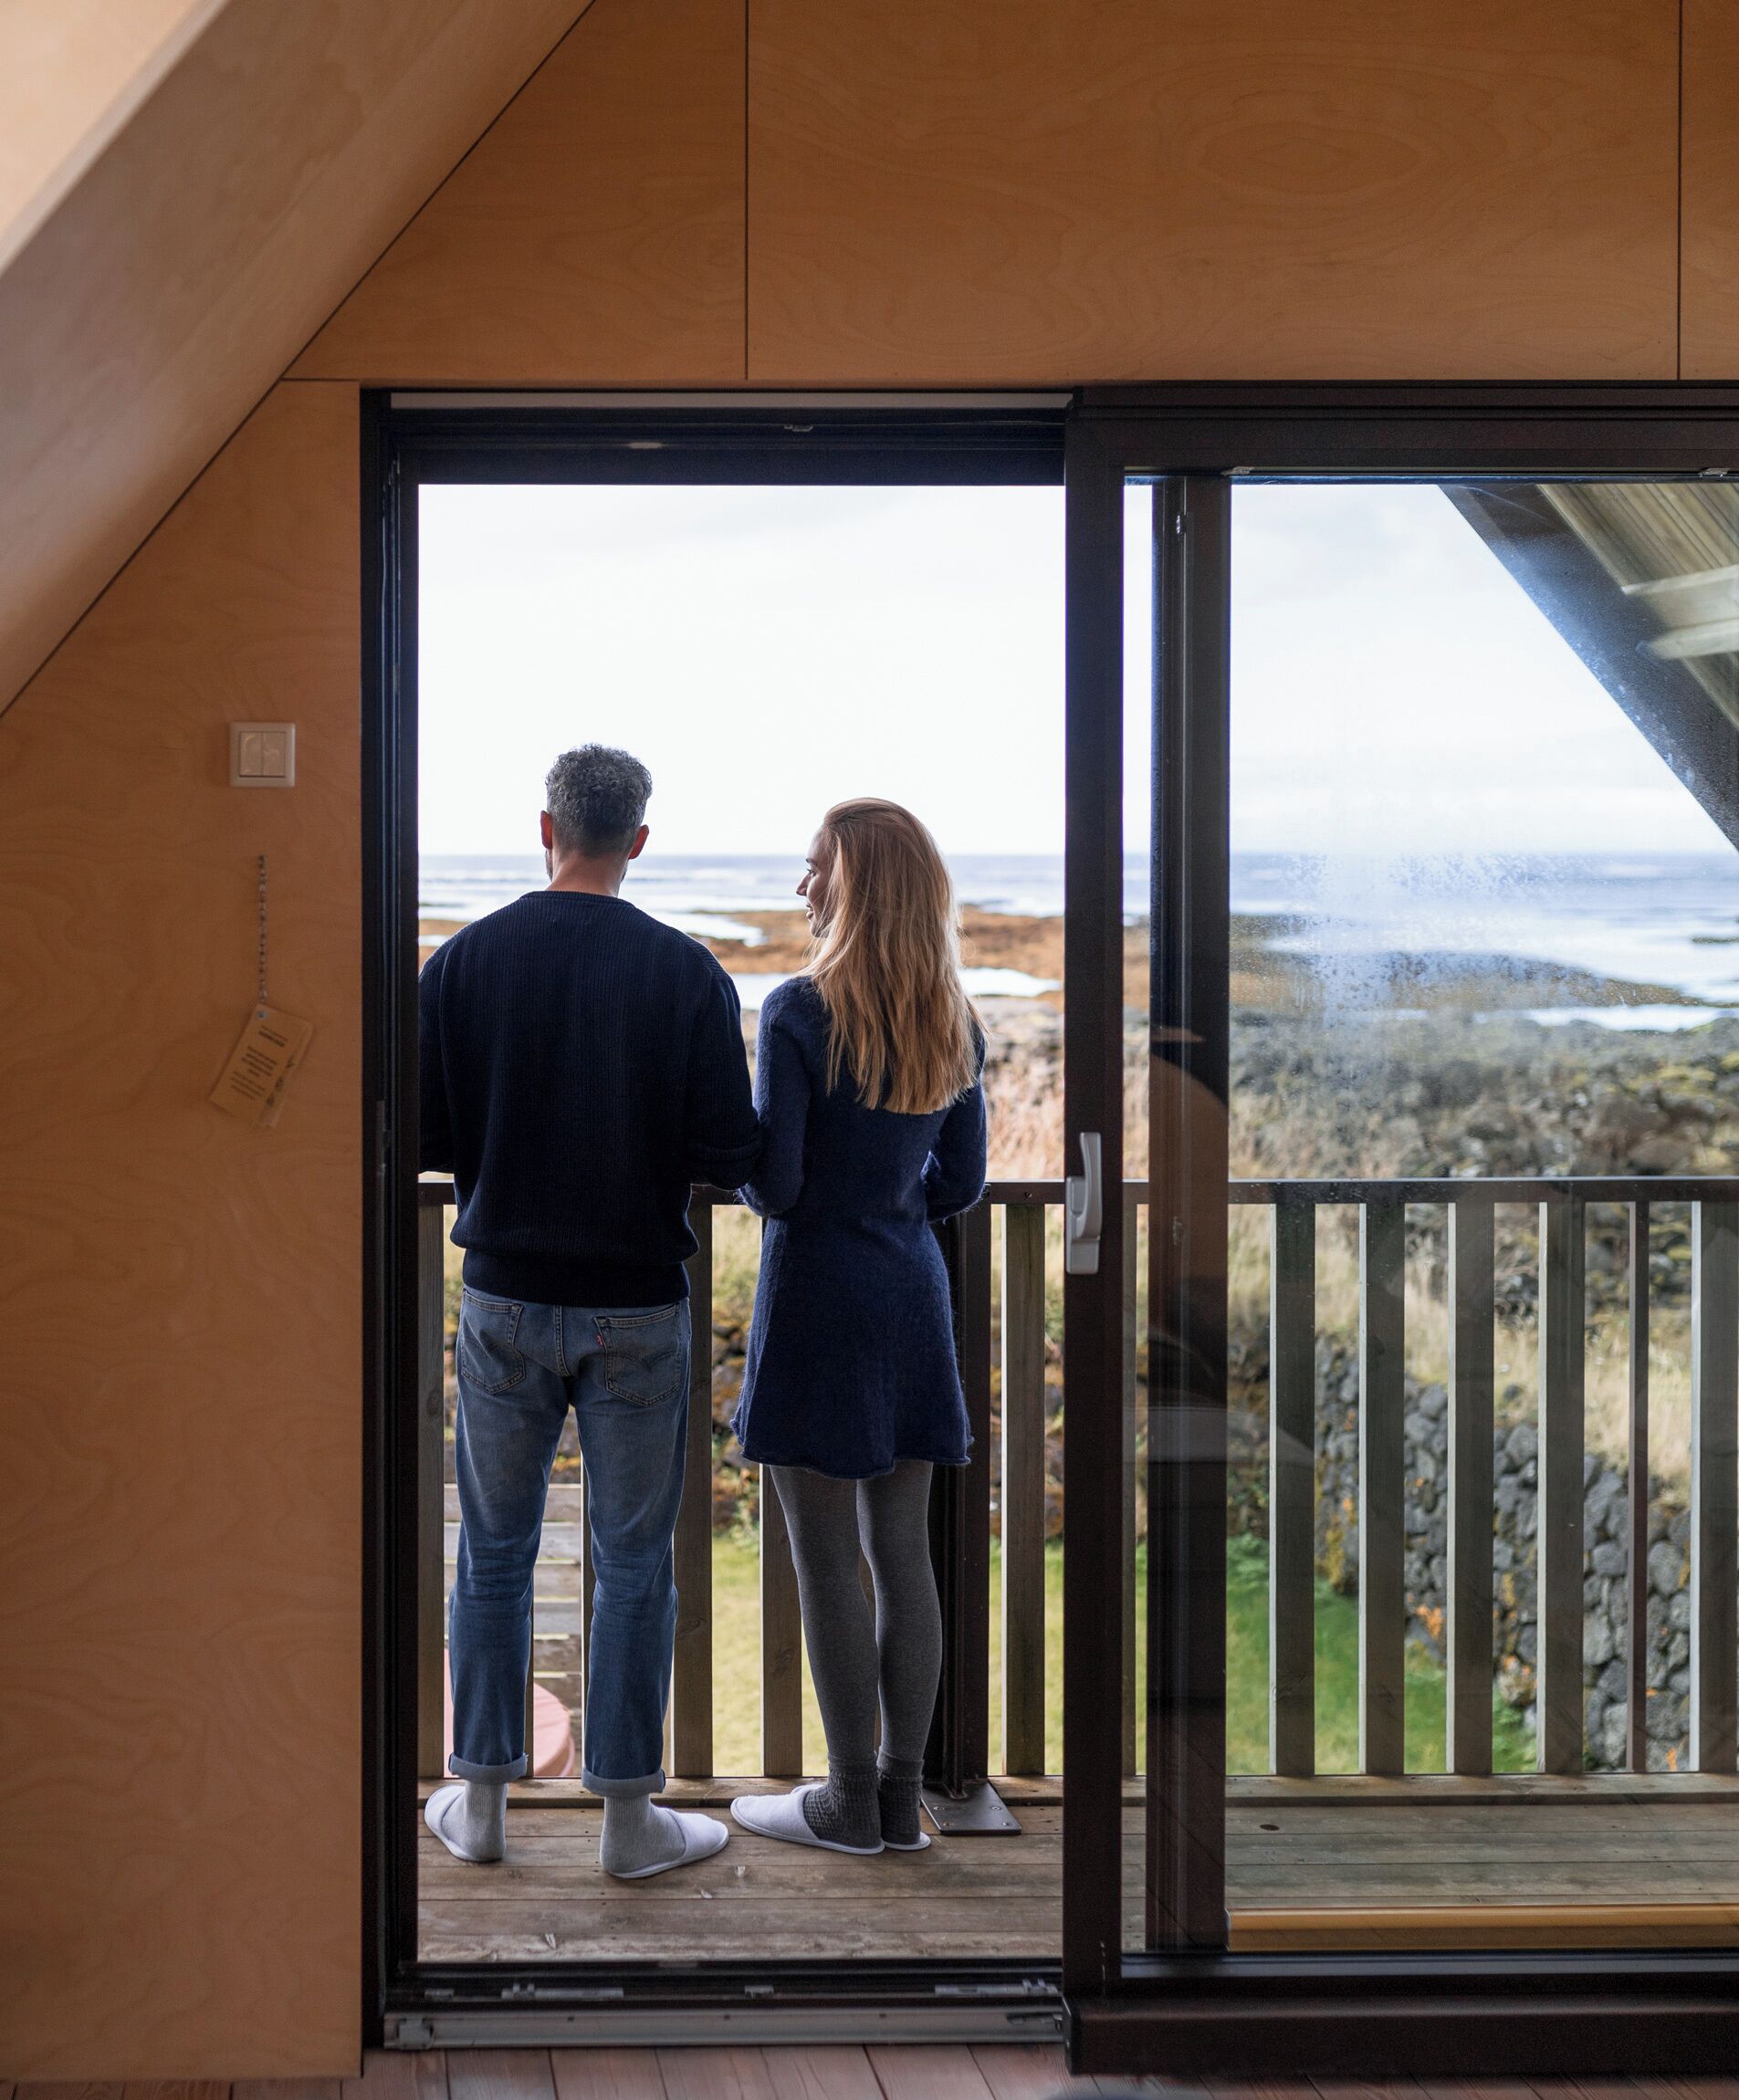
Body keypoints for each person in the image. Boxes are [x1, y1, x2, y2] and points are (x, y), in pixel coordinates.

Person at [419, 745, 759, 1878]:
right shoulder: (688, 975)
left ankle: (479, 1805)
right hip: (636, 1308)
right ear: (640, 842)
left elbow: (421, 1141)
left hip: (506, 1297)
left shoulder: (464, 963)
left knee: (495, 1556)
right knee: (632, 1561)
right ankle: (625, 1821)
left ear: (546, 829)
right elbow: (729, 1149)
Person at [729, 799, 988, 1856]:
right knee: (903, 1552)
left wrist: (759, 1176)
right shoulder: (954, 1017)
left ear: (858, 885)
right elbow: (960, 1180)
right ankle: (899, 1800)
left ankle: (843, 1804)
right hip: (911, 1295)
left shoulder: (797, 1012)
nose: (802, 888)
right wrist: (889, 1201)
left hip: (821, 1301)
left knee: (827, 1558)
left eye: (815, 869)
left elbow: (779, 1186)